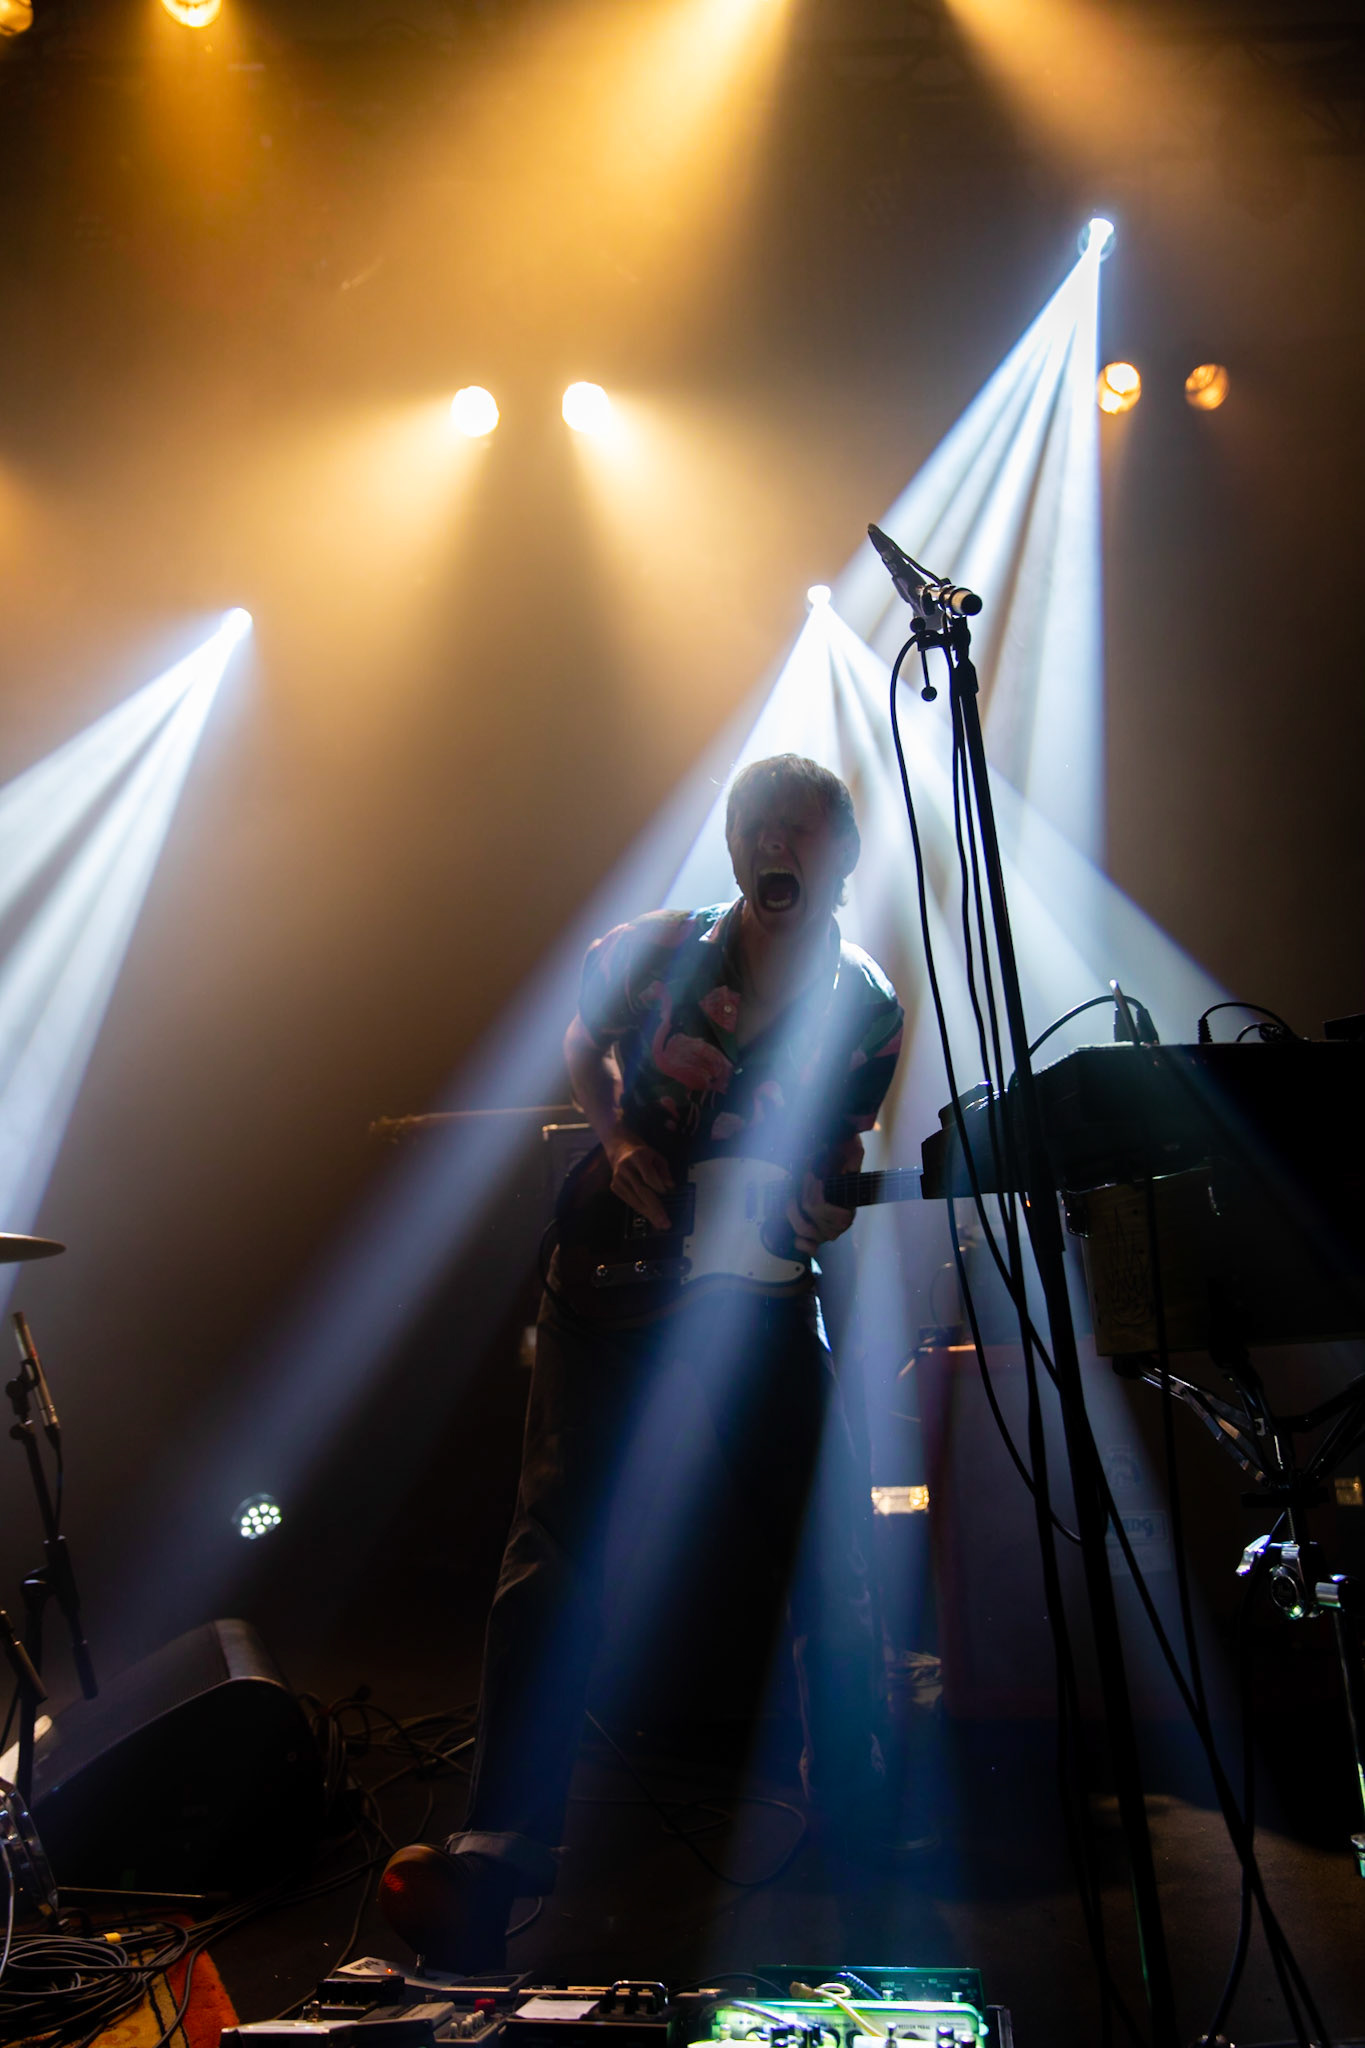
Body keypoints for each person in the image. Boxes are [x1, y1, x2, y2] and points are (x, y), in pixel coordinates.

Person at [379, 753, 904, 1971]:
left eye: (804, 828)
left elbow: (844, 1140)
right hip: (612, 1274)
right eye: (758, 826)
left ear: (839, 858)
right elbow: (584, 1039)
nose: (778, 844)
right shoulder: (655, 946)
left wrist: (829, 1205)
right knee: (554, 1535)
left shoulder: (866, 1001)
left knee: (825, 1532)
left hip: (759, 1286)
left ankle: (855, 1802)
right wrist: (615, 1136)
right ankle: (507, 1834)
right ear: (736, 850)